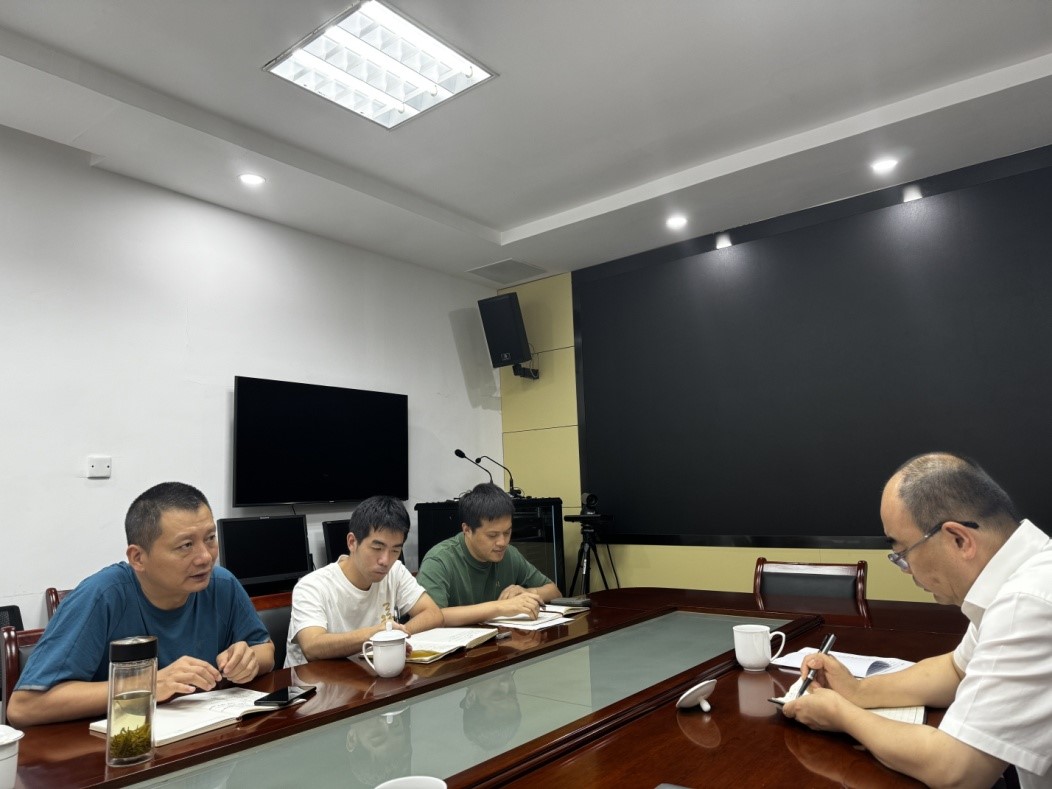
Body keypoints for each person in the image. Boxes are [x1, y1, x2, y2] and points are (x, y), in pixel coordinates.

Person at [783, 452, 1052, 789]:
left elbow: (957, 770)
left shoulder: (1027, 603)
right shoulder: (1020, 577)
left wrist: (841, 715)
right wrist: (857, 691)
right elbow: (956, 670)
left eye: (903, 553)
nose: (906, 570)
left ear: (959, 540)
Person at [8, 482, 274, 727]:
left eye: (210, 538)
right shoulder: (103, 596)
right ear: (138, 557)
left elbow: (264, 650)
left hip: (200, 735)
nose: (205, 557)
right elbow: (24, 707)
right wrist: (149, 684)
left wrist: (248, 661)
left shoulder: (221, 584)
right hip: (117, 745)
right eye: (185, 545)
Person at [285, 496, 442, 667]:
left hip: (367, 673)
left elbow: (433, 613)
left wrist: (395, 636)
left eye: (395, 550)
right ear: (352, 542)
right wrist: (377, 634)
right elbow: (312, 646)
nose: (385, 560)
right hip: (313, 680)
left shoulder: (395, 571)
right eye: (377, 548)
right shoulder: (312, 586)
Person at [416, 483, 561, 626]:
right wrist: (499, 607)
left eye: (507, 532)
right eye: (492, 535)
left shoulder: (509, 554)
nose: (502, 542)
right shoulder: (439, 560)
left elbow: (554, 591)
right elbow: (431, 617)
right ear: (467, 530)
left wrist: (527, 592)